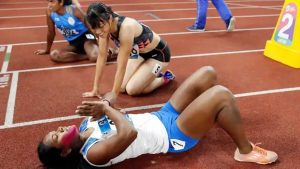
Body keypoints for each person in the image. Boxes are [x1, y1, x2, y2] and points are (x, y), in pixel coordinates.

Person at [37, 66, 278, 169]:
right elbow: (128, 134)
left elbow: (111, 95)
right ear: (66, 152)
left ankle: (212, 115)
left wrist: (104, 103)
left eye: (54, 130)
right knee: (221, 95)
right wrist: (107, 110)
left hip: (162, 115)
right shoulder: (92, 154)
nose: (59, 129)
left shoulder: (84, 124)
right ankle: (244, 150)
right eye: (57, 137)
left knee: (208, 73)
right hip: (172, 136)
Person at [82, 2, 175, 104]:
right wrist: (95, 89)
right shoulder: (102, 27)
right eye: (94, 28)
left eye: (100, 26)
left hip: (158, 55)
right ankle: (149, 73)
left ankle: (164, 78)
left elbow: (121, 65)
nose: (98, 31)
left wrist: (112, 99)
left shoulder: (126, 28)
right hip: (139, 53)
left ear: (109, 18)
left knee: (132, 90)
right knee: (121, 87)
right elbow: (101, 56)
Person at [34, 0, 117, 63]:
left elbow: (92, 27)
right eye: (48, 2)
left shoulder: (74, 10)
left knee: (95, 57)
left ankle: (116, 51)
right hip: (73, 43)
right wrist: (47, 50)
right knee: (54, 55)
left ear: (61, 2)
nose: (49, 5)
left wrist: (101, 44)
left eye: (52, 2)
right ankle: (86, 56)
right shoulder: (49, 12)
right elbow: (51, 32)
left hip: (87, 38)